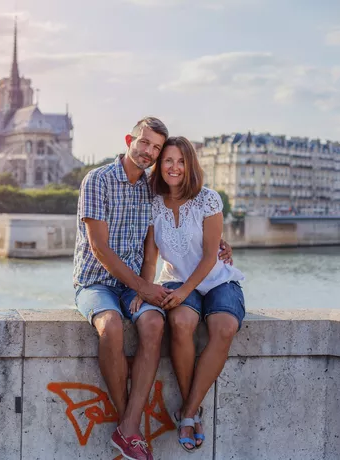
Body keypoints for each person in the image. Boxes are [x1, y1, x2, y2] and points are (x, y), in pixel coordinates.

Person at [73, 117, 232, 460]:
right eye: (145, 143)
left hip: (134, 285)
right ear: (130, 139)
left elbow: (186, 215)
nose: (149, 151)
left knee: (155, 323)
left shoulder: (151, 189)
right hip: (95, 281)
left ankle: (127, 428)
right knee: (111, 327)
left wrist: (219, 241)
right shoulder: (97, 180)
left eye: (156, 148)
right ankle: (129, 427)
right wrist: (144, 287)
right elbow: (99, 248)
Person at [136, 136, 245, 453]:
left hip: (215, 279)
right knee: (182, 324)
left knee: (224, 327)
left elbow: (211, 255)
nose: (174, 167)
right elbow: (150, 259)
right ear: (160, 165)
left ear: (190, 165)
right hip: (175, 279)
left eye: (181, 161)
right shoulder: (153, 203)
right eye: (168, 160)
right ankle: (191, 411)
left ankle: (186, 412)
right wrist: (144, 289)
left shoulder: (208, 200)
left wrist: (186, 290)